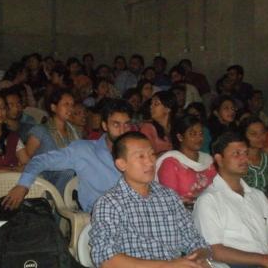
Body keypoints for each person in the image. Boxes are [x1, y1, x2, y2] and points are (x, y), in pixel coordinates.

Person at [90, 131, 213, 268]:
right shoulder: (110, 203)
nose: (150, 162)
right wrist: (168, 266)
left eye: (152, 154)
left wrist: (197, 259)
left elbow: (197, 242)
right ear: (121, 164)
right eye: (141, 156)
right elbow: (106, 259)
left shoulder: (168, 197)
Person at [193, 132, 268, 268]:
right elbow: (213, 251)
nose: (244, 159)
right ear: (219, 159)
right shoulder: (209, 200)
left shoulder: (257, 196)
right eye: (236, 154)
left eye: (246, 153)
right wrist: (265, 260)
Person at [3, 99, 134, 212]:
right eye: (116, 124)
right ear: (105, 125)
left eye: (126, 124)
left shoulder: (137, 152)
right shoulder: (84, 150)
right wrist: (23, 185)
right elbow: (40, 161)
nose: (122, 131)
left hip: (135, 211)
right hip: (104, 216)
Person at [25, 88, 79, 192]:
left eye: (72, 105)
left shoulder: (75, 132)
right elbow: (26, 160)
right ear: (54, 107)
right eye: (66, 104)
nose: (71, 108)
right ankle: (56, 203)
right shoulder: (40, 131)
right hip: (44, 180)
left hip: (70, 179)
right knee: (68, 170)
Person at [156, 115, 216, 206]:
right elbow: (170, 201)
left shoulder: (208, 160)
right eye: (193, 134)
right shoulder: (170, 163)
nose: (199, 138)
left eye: (201, 133)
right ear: (180, 137)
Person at [140, 91, 177, 156]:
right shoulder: (147, 128)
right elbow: (147, 155)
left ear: (167, 109)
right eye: (151, 104)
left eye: (156, 104)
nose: (151, 107)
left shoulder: (177, 127)